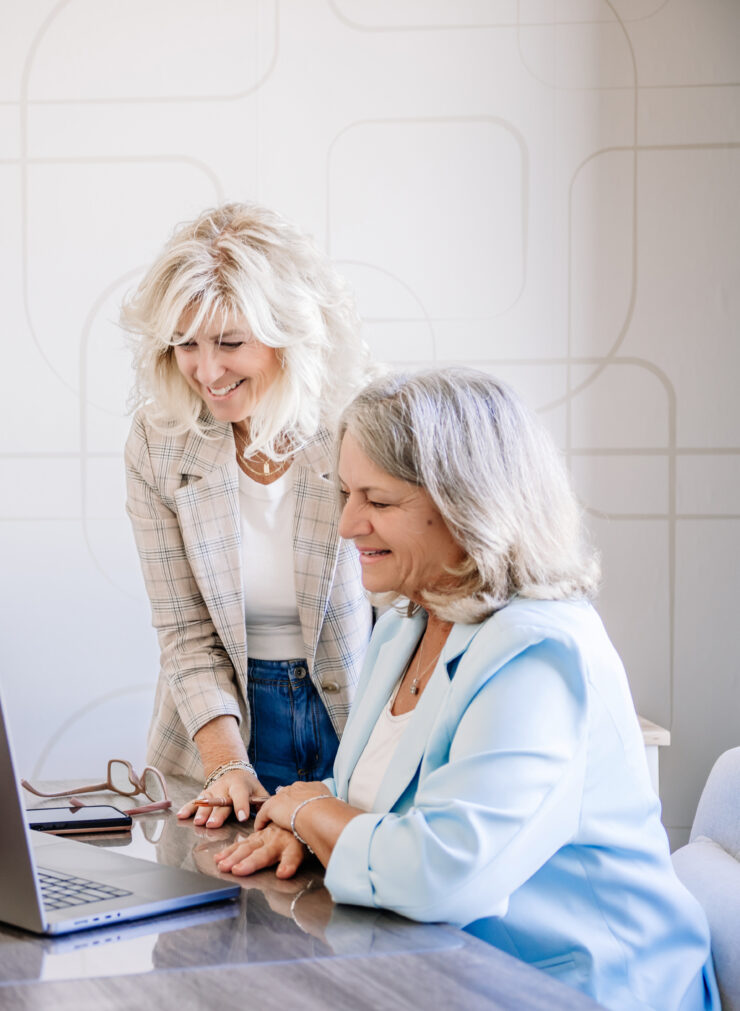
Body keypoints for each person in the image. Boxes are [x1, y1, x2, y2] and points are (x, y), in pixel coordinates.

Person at [216, 367, 717, 1010]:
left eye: (378, 500)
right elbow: (377, 794)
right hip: (443, 973)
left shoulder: (539, 654)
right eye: (346, 493)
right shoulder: (408, 623)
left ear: (467, 503)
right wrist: (314, 825)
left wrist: (309, 814)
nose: (347, 525)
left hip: (579, 988)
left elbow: (442, 875)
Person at [122, 202, 374, 829]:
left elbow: (411, 613)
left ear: (292, 331)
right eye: (186, 344)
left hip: (358, 706)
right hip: (221, 718)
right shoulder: (159, 442)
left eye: (231, 342)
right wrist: (226, 763)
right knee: (213, 915)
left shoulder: (364, 422)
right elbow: (184, 630)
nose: (207, 371)